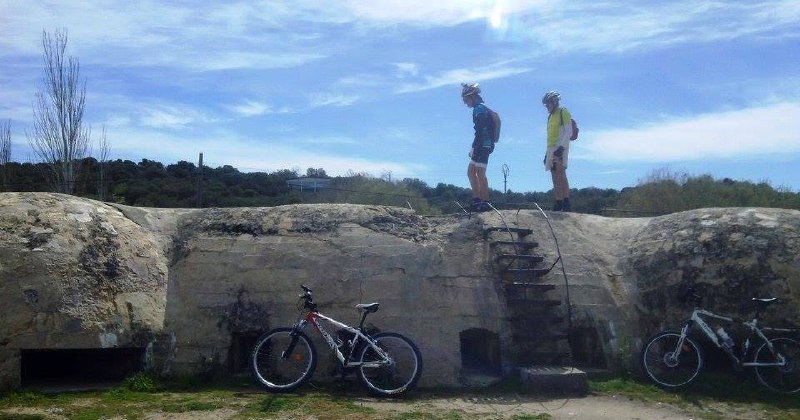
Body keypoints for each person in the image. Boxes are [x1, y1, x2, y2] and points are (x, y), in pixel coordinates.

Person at [461, 83, 496, 212]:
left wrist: (475, 146)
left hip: (483, 144)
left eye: (466, 99)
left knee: (480, 172)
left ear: (472, 97)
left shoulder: (479, 109)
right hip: (482, 144)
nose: (465, 102)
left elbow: (481, 130)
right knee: (471, 171)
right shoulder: (479, 108)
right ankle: (477, 200)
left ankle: (485, 202)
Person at [541, 90, 573, 212]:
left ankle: (566, 202)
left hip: (560, 146)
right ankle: (558, 201)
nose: (547, 107)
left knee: (560, 173)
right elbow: (550, 136)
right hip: (551, 147)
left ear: (554, 102)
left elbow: (568, 131)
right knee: (554, 174)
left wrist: (561, 148)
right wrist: (546, 153)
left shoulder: (563, 112)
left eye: (548, 104)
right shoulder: (550, 117)